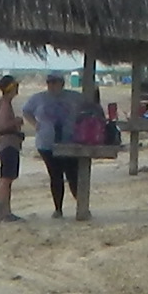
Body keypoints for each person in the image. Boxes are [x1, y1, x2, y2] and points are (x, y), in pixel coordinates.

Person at [28, 74, 95, 223]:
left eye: (55, 82)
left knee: (73, 175)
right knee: (55, 176)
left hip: (70, 141)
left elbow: (89, 108)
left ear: (62, 83)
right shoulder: (38, 98)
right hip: (46, 143)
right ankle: (58, 209)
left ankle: (82, 206)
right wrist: (35, 124)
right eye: (49, 82)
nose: (52, 85)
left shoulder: (74, 97)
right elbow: (26, 110)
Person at [0, 71, 27, 210]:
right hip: (8, 145)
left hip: (9, 144)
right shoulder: (4, 103)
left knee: (7, 179)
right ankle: (1, 209)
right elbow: (3, 126)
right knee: (6, 179)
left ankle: (5, 210)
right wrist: (16, 121)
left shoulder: (4, 102)